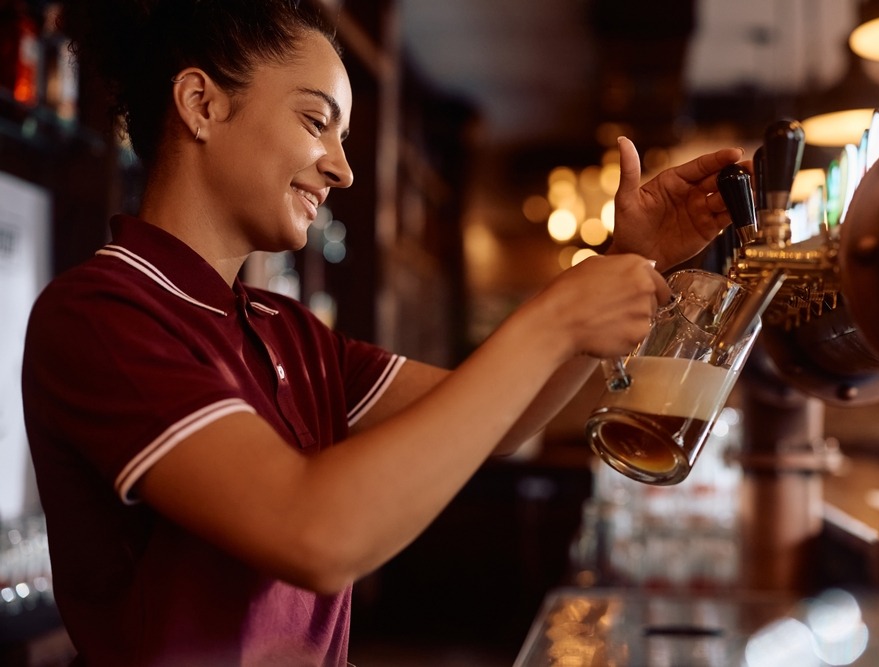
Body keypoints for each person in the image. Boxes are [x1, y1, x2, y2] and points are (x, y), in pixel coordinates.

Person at [20, 1, 744, 664]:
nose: (342, 168)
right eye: (316, 121)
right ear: (201, 104)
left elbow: (497, 421)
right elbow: (315, 533)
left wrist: (626, 262)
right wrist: (555, 315)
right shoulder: (103, 314)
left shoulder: (286, 330)